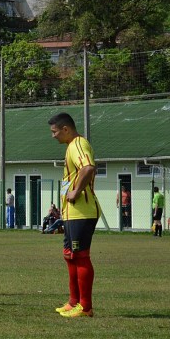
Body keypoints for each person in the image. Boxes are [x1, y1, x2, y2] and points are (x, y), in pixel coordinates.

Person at [48, 112, 99, 318]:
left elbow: (88, 167)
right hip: (72, 213)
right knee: (69, 256)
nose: (53, 136)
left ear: (66, 129)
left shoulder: (78, 144)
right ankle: (73, 302)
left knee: (79, 256)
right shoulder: (71, 146)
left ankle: (85, 307)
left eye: (54, 131)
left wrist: (76, 192)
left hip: (82, 211)